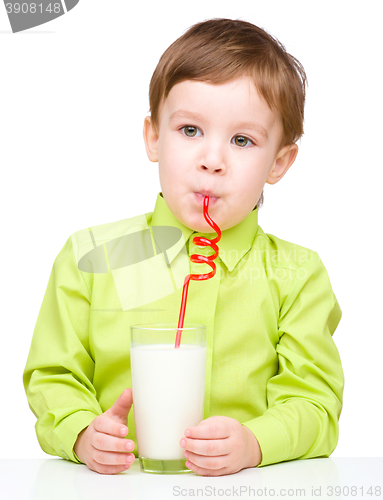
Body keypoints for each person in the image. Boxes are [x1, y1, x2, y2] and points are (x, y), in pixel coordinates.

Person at [23, 18, 344, 476]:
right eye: (190, 130)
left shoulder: (298, 274)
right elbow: (53, 374)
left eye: (241, 140)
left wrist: (256, 443)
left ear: (279, 162)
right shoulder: (91, 257)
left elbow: (315, 403)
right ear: (154, 137)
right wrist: (80, 431)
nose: (212, 160)